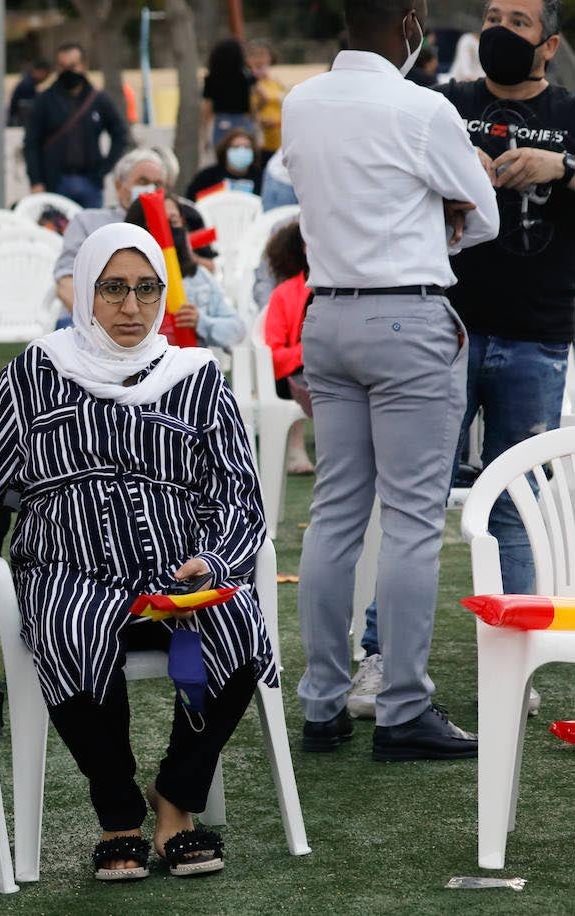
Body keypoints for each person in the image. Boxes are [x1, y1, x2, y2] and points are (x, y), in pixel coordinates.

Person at [0, 223, 273, 882]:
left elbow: (236, 493)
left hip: (178, 570)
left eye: (145, 290)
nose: (131, 308)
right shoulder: (39, 369)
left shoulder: (195, 377)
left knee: (234, 628)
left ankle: (176, 802)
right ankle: (118, 815)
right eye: (113, 289)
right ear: (85, 292)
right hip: (68, 565)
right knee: (72, 628)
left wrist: (215, 561)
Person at [282, 0, 499, 761]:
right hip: (407, 317)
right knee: (410, 520)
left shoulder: (300, 103)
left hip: (327, 318)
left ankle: (320, 705)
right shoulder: (425, 107)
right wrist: (440, 221)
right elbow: (487, 219)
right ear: (409, 22)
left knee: (337, 513)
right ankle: (404, 709)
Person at [436, 0, 575, 597]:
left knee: (517, 506)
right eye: (492, 18)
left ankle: (513, 657)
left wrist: (561, 165)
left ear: (549, 44)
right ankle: (382, 654)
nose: (499, 31)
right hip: (445, 330)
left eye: (518, 23)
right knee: (417, 504)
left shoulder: (570, 112)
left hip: (537, 337)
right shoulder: (445, 104)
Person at [54, 148, 212, 315]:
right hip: (92, 317)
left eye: (158, 184)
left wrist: (180, 248)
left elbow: (209, 270)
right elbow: (66, 280)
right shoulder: (87, 222)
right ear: (119, 184)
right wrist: (92, 318)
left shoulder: (175, 221)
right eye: (142, 182)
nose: (150, 189)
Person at [123, 195, 245, 351]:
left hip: (189, 364)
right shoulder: (122, 277)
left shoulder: (198, 277)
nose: (167, 231)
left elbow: (237, 330)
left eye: (173, 221)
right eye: (158, 223)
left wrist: (201, 322)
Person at [23, 42, 130, 209]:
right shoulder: (44, 101)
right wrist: (36, 181)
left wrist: (103, 169)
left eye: (73, 66)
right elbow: (31, 144)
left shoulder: (99, 100)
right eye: (63, 66)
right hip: (55, 183)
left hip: (90, 182)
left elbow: (121, 135)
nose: (68, 72)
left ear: (84, 65)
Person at [260, 220, 314, 475]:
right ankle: (295, 444)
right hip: (293, 374)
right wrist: (307, 351)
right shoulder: (284, 293)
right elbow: (273, 356)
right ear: (304, 247)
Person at [202, 38, 256, 150]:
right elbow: (253, 103)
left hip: (221, 121)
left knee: (222, 155)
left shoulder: (212, 78)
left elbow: (207, 108)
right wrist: (254, 119)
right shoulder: (246, 76)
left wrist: (204, 133)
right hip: (243, 120)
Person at [186, 129, 263, 198]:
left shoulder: (261, 178)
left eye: (247, 147)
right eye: (236, 147)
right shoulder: (208, 176)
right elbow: (192, 198)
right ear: (225, 151)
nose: (241, 151)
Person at [247, 41, 286, 166]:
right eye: (254, 55)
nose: (259, 59)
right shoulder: (249, 84)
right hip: (259, 140)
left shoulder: (276, 83)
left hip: (278, 141)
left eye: (263, 54)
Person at [8, 59, 52, 128]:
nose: (46, 77)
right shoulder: (28, 85)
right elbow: (28, 108)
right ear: (40, 71)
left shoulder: (29, 83)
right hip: (18, 124)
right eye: (46, 74)